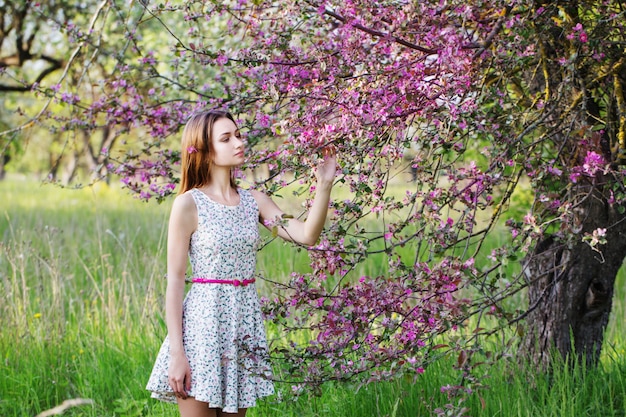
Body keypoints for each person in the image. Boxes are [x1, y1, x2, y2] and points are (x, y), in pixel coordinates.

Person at [146, 110, 336, 417]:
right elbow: (175, 281)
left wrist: (324, 184)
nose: (238, 142)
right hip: (201, 328)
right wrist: (177, 353)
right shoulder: (188, 204)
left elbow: (306, 235)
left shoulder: (254, 201)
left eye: (238, 134)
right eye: (226, 138)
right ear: (205, 151)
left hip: (243, 325)